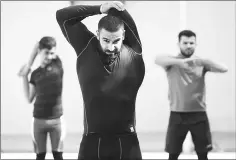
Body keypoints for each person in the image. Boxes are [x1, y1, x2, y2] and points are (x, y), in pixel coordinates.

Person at [56, 1, 145, 160]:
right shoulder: (86, 46)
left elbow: (126, 18)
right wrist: (100, 9)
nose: (111, 47)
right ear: (97, 34)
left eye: (116, 41)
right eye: (106, 40)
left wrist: (116, 9)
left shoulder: (133, 50)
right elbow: (62, 16)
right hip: (92, 142)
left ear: (123, 36)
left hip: (127, 142)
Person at [155, 30, 228, 160]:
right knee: (173, 154)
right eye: (185, 43)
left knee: (202, 154)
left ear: (195, 44)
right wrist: (180, 63)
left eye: (191, 43)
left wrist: (204, 61)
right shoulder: (171, 63)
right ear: (178, 44)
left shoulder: (201, 63)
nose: (188, 46)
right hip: (177, 114)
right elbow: (157, 59)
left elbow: (224, 68)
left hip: (199, 114)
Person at [18, 36, 65, 160]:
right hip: (38, 122)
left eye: (52, 53)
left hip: (57, 122)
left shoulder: (58, 66)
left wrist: (28, 64)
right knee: (40, 156)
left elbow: (37, 42)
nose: (49, 56)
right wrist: (24, 76)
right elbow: (29, 98)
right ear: (40, 52)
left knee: (58, 156)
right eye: (46, 53)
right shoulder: (35, 74)